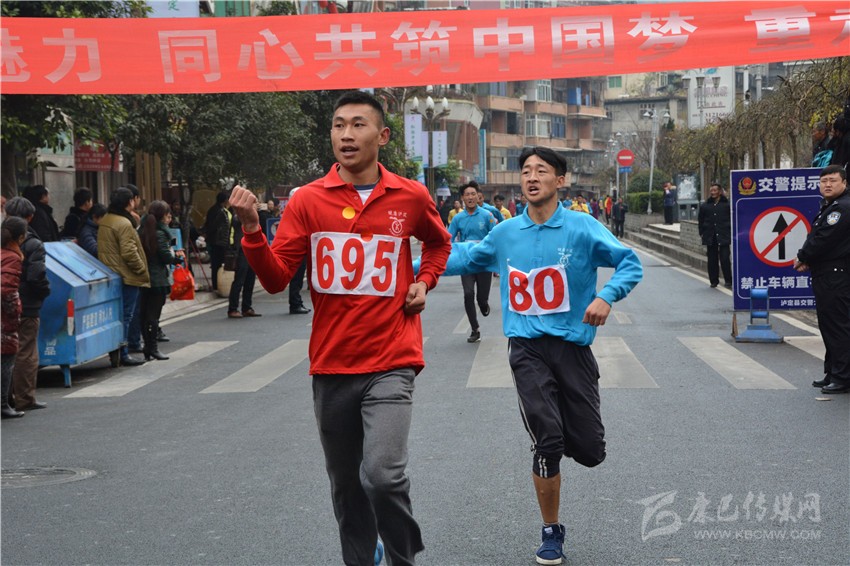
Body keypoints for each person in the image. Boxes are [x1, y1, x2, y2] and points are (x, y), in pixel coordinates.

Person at [228, 90, 451, 566]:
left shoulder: (410, 196)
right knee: (348, 488)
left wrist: (425, 281)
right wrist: (251, 229)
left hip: (392, 359)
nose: (346, 134)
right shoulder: (308, 200)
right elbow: (276, 278)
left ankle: (403, 558)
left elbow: (438, 244)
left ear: (382, 136)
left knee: (383, 476)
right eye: (338, 125)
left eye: (357, 125)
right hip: (332, 364)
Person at [429, 146, 642, 565]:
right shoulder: (506, 232)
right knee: (547, 442)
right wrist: (412, 265)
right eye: (525, 170)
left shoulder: (583, 226)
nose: (531, 177)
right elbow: (466, 257)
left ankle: (566, 437)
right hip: (526, 348)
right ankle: (551, 530)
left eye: (541, 171)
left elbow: (629, 263)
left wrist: (606, 296)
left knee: (590, 451)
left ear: (559, 181)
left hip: (573, 349)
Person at [794, 164, 850, 394]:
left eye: (833, 180)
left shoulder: (842, 208)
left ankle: (843, 377)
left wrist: (803, 257)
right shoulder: (831, 206)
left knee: (838, 327)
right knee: (829, 326)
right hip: (827, 273)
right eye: (824, 181)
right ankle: (833, 372)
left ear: (844, 183)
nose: (827, 185)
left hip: (836, 276)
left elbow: (823, 239)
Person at [4, 197, 50, 411]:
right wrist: (44, 292)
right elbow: (36, 276)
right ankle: (24, 397)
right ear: (30, 217)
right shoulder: (32, 244)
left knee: (7, 352)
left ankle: (6, 398)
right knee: (25, 351)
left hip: (5, 305)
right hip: (25, 304)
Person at [98, 187, 150, 366]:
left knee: (116, 315)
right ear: (130, 202)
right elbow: (129, 252)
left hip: (111, 272)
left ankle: (117, 351)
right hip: (126, 275)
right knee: (126, 316)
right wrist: (141, 268)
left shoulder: (107, 219)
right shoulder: (124, 223)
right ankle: (124, 352)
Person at [448, 182, 497, 343]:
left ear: (478, 196)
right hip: (466, 262)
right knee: (468, 294)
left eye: (473, 194)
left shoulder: (487, 215)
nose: (470, 197)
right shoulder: (458, 218)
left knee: (481, 299)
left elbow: (495, 236)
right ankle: (475, 329)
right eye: (467, 194)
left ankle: (484, 304)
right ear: (462, 198)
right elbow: (449, 239)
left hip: (483, 263)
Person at [138, 201, 183, 361]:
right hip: (157, 279)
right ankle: (152, 348)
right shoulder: (160, 233)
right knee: (153, 316)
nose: (169, 217)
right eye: (167, 214)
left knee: (144, 315)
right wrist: (178, 258)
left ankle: (147, 347)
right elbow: (166, 257)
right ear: (162, 216)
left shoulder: (142, 230)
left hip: (144, 278)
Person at [1, 216, 28, 419]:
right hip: (4, 318)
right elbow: (7, 290)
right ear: (20, 237)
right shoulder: (12, 257)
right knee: (6, 360)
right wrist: (15, 311)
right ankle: (3, 403)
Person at [279, 188, 310, 315]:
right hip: (296, 249)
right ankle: (295, 303)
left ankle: (297, 302)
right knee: (296, 278)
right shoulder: (293, 213)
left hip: (301, 247)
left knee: (299, 277)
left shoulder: (295, 211)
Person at [226, 206, 261, 319]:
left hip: (252, 250)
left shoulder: (253, 216)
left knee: (250, 279)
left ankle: (247, 307)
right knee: (239, 280)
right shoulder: (238, 214)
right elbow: (237, 222)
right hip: (241, 250)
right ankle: (233, 308)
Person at [698, 183, 732, 288]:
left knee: (725, 258)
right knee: (712, 260)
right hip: (710, 235)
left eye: (715, 190)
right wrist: (702, 233)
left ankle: (728, 280)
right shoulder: (705, 206)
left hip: (724, 235)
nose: (713, 193)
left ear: (720, 192)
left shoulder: (727, 205)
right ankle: (713, 281)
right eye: (711, 191)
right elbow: (701, 221)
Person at [204, 191, 230, 291]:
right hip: (217, 242)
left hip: (219, 241)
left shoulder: (219, 210)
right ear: (224, 200)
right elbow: (213, 226)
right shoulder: (218, 212)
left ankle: (218, 284)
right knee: (217, 264)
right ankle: (216, 285)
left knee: (218, 264)